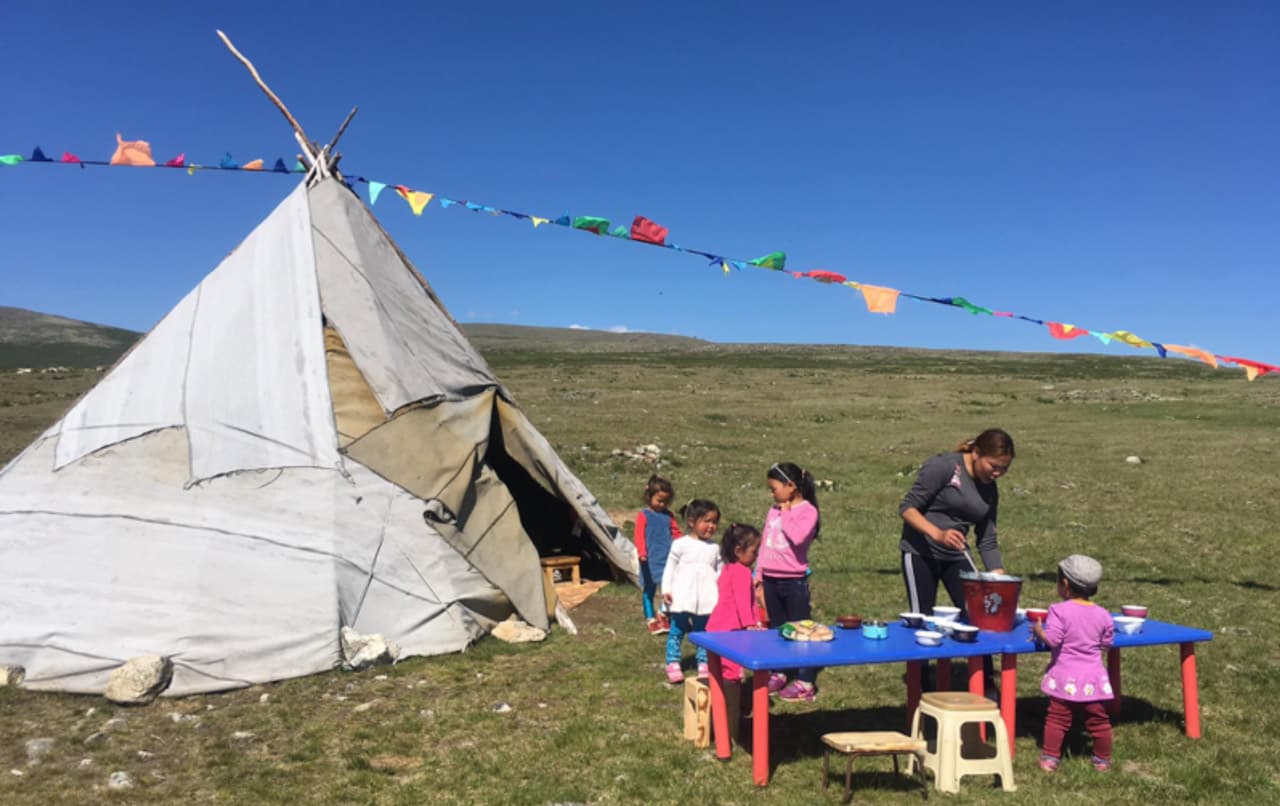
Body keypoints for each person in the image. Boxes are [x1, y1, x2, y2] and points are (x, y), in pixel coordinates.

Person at [898, 429, 1014, 618]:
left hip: (956, 554)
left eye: (1004, 468)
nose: (997, 473)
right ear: (976, 453)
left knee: (978, 614)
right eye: (993, 466)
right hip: (921, 552)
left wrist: (999, 578)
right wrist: (938, 534)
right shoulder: (944, 467)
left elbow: (987, 539)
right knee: (921, 619)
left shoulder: (990, 489)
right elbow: (907, 509)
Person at [1031, 554, 1115, 773]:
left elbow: (1053, 640)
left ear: (1065, 584)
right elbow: (1106, 644)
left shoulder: (1059, 610)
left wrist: (1039, 632)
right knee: (1099, 721)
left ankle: (1050, 758)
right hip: (1093, 679)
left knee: (1057, 718)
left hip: (1064, 677)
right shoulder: (1103, 614)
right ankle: (1103, 760)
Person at [756, 461, 821, 702]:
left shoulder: (808, 511)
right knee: (777, 628)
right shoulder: (773, 510)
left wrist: (785, 512)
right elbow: (765, 542)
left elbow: (797, 537)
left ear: (791, 486)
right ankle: (779, 670)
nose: (772, 494)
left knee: (801, 630)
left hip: (794, 582)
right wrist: (758, 575)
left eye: (774, 488)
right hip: (770, 579)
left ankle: (805, 680)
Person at [661, 499, 723, 683]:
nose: (711, 526)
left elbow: (720, 572)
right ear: (691, 522)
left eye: (714, 522)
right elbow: (669, 568)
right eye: (706, 521)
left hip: (706, 599)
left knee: (703, 632)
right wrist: (666, 589)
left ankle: (703, 662)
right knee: (677, 629)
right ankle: (673, 661)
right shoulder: (680, 544)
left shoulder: (715, 548)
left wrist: (720, 592)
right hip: (682, 597)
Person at [706, 522, 765, 688]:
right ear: (738, 551)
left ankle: (718, 696)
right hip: (730, 629)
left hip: (717, 626)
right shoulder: (742, 572)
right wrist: (749, 624)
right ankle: (730, 700)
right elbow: (742, 601)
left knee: (719, 667)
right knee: (732, 671)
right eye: (754, 552)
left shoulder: (728, 568)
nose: (756, 556)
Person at [634, 475, 683, 634]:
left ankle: (663, 613)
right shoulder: (643, 515)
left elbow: (676, 532)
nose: (662, 504)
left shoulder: (668, 516)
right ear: (649, 496)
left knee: (669, 587)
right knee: (649, 589)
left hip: (666, 559)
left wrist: (685, 544)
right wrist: (642, 553)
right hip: (649, 559)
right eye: (659, 500)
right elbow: (639, 536)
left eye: (665, 502)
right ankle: (650, 618)